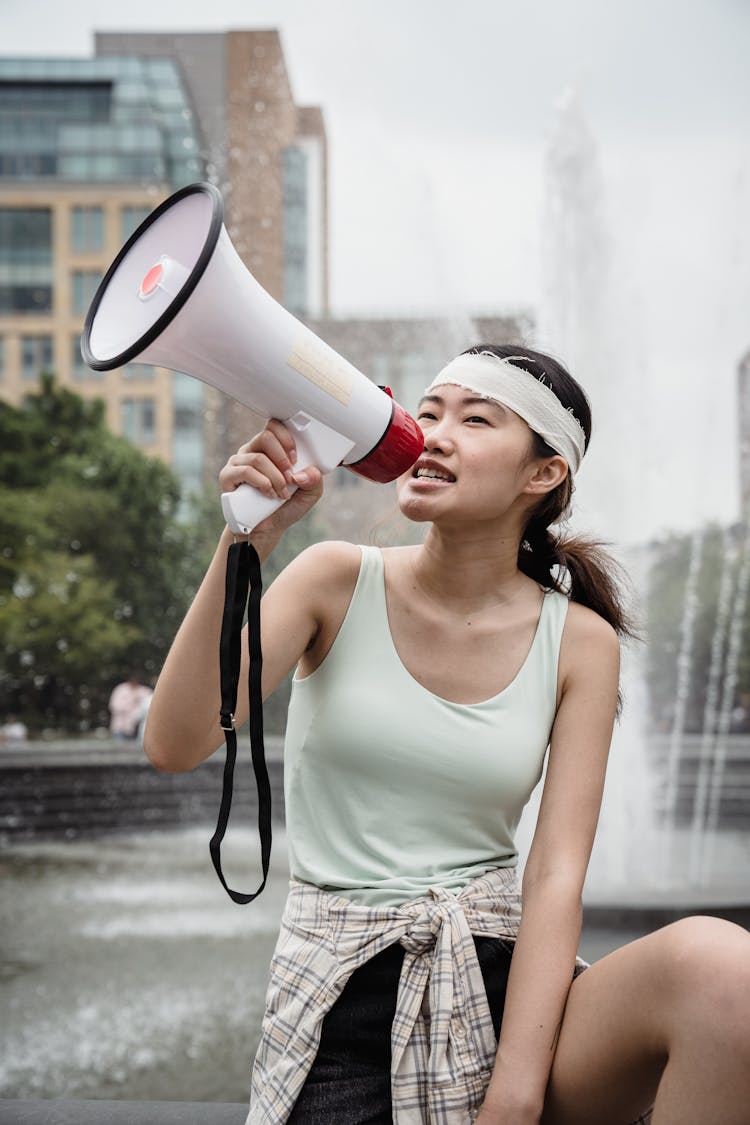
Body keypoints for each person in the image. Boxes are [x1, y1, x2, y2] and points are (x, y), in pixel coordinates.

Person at [144, 345, 750, 1125]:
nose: (433, 432)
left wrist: (515, 1095)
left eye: (475, 418)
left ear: (544, 473)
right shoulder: (333, 578)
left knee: (723, 970)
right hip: (345, 1000)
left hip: (509, 989)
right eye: (427, 411)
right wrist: (247, 541)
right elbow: (175, 740)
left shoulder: (581, 642)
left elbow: (556, 876)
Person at [108, 671, 152, 740]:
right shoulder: (120, 689)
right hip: (120, 728)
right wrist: (132, 702)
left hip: (138, 730)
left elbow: (149, 707)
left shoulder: (145, 691)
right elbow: (114, 706)